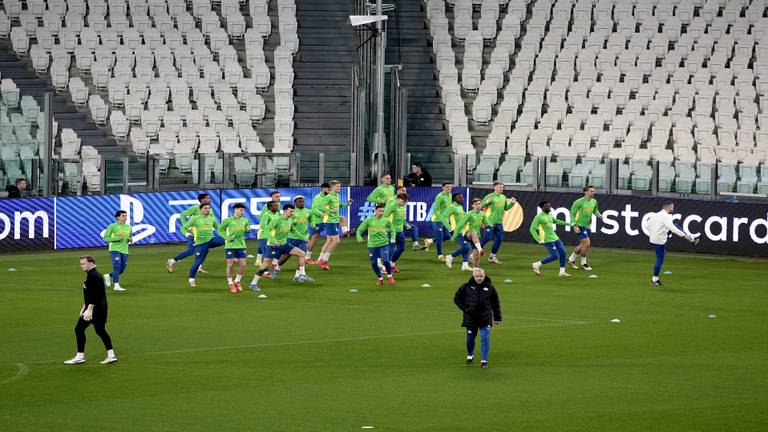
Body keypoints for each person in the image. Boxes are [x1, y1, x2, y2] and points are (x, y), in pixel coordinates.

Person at [64, 256, 117, 365]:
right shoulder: (92, 275)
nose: (81, 266)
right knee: (100, 331)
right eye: (81, 264)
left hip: (95, 310)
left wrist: (89, 309)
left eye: (83, 264)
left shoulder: (94, 276)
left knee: (79, 329)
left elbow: (97, 294)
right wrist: (84, 306)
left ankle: (80, 356)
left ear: (91, 263)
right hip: (98, 308)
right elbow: (90, 293)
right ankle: (111, 355)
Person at [250, 204, 314, 291]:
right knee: (265, 266)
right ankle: (253, 283)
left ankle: (302, 274)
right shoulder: (277, 220)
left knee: (302, 253)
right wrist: (273, 240)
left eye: (293, 211)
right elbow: (266, 229)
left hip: (284, 245)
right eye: (291, 211)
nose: (292, 213)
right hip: (273, 246)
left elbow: (293, 230)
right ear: (285, 211)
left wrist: (304, 238)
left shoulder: (289, 220)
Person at [453, 268, 501, 368]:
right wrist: (465, 309)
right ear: (473, 276)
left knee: (485, 338)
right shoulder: (466, 287)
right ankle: (470, 355)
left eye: (481, 276)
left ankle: (484, 360)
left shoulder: (490, 288)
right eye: (477, 276)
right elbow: (457, 298)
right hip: (471, 318)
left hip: (485, 317)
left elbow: (495, 303)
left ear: (484, 275)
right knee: (470, 338)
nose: (479, 278)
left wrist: (497, 317)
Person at [642, 201, 695, 286]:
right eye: (672, 207)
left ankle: (691, 238)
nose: (673, 209)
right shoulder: (665, 216)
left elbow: (647, 225)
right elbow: (673, 229)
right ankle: (654, 280)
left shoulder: (656, 214)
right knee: (660, 260)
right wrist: (684, 236)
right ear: (668, 207)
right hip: (659, 241)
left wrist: (656, 232)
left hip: (653, 239)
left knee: (676, 225)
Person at [167, 193, 211, 274]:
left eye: (209, 198)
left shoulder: (209, 210)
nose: (209, 199)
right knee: (191, 251)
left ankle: (198, 266)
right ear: (202, 200)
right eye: (207, 198)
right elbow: (183, 214)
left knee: (205, 250)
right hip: (193, 234)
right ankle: (172, 261)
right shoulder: (195, 208)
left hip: (203, 235)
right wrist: (186, 227)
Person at [530, 201, 575, 277]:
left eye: (549, 205)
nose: (549, 207)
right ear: (543, 207)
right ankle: (537, 264)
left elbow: (556, 221)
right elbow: (532, 229)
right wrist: (538, 239)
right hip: (548, 240)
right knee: (555, 256)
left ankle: (562, 272)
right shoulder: (539, 217)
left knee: (563, 253)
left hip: (555, 238)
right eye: (547, 206)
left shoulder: (550, 214)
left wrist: (569, 224)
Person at [314, 180, 352, 271]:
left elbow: (337, 206)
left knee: (330, 240)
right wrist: (330, 211)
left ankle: (321, 259)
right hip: (329, 221)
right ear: (332, 187)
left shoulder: (337, 196)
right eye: (338, 186)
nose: (340, 188)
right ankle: (324, 260)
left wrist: (347, 204)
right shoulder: (329, 197)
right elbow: (320, 207)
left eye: (340, 186)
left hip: (334, 220)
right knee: (336, 240)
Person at [356, 204, 396, 286]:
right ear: (375, 211)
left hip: (383, 244)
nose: (381, 212)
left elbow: (392, 230)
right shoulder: (369, 220)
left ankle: (390, 276)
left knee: (385, 260)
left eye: (382, 211)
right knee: (374, 263)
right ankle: (380, 278)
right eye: (379, 211)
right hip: (372, 245)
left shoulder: (386, 220)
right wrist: (358, 236)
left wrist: (393, 238)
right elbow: (360, 229)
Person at [186, 203, 225, 287]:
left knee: (226, 240)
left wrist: (227, 234)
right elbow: (185, 227)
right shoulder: (195, 219)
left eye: (209, 208)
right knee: (198, 261)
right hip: (201, 243)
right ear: (201, 210)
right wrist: (189, 232)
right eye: (206, 208)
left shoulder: (212, 219)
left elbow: (219, 229)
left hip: (211, 240)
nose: (208, 210)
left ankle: (234, 256)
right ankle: (191, 279)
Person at [274, 195, 312, 277]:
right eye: (300, 201)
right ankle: (277, 267)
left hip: (303, 238)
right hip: (291, 237)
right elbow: (290, 226)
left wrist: (313, 225)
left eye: (303, 201)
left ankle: (298, 275)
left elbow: (311, 220)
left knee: (302, 254)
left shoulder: (308, 211)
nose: (302, 203)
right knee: (287, 255)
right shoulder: (292, 213)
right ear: (295, 203)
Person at [480, 181, 517, 264]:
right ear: (494, 187)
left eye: (502, 187)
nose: (502, 189)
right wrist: (486, 203)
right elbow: (480, 207)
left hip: (499, 222)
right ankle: (474, 253)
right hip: (490, 222)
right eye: (500, 187)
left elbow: (506, 208)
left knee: (499, 239)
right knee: (486, 238)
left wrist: (512, 203)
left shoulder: (503, 197)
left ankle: (492, 257)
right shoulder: (489, 196)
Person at [568, 185, 603, 271]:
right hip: (579, 225)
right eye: (591, 191)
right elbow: (572, 213)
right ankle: (583, 264)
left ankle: (570, 260)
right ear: (585, 192)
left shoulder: (594, 201)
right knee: (587, 244)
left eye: (593, 191)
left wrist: (599, 215)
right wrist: (574, 225)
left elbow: (595, 210)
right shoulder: (579, 202)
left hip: (588, 226)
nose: (593, 192)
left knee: (582, 245)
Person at [219, 203, 252, 293]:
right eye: (241, 210)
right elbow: (220, 230)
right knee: (230, 264)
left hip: (241, 245)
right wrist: (227, 238)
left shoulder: (245, 220)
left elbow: (248, 230)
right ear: (235, 210)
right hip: (230, 245)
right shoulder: (228, 220)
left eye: (243, 210)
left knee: (243, 264)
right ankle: (230, 283)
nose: (242, 212)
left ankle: (237, 281)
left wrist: (248, 230)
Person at [449, 198, 489, 271]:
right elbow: (460, 225)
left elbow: (486, 223)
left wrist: (489, 225)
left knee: (476, 256)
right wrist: (454, 235)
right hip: (467, 235)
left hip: (477, 237)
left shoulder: (482, 214)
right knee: (473, 233)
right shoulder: (469, 214)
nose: (478, 206)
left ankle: (476, 269)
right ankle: (480, 249)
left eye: (479, 204)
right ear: (472, 206)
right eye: (476, 204)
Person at [101, 210, 132, 292]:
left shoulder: (129, 227)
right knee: (117, 266)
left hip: (125, 250)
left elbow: (130, 237)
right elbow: (105, 238)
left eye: (126, 216)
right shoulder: (112, 226)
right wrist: (117, 239)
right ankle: (116, 285)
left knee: (121, 270)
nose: (125, 217)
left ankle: (108, 275)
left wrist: (130, 239)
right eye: (123, 216)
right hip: (114, 249)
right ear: (118, 217)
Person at [442, 193, 471, 271]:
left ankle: (465, 265)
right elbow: (443, 217)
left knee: (466, 247)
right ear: (454, 199)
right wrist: (449, 228)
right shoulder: (452, 207)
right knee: (467, 247)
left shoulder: (460, 207)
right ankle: (451, 257)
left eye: (462, 197)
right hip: (456, 231)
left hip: (464, 231)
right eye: (459, 198)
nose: (462, 199)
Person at [383, 192, 409, 273]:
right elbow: (384, 216)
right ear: (398, 199)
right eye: (403, 201)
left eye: (406, 201)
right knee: (391, 248)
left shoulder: (403, 205)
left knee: (401, 248)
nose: (405, 203)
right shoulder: (392, 205)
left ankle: (391, 263)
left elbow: (402, 216)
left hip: (400, 230)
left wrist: (406, 224)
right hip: (392, 231)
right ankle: (384, 266)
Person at [306, 182, 331, 263]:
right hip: (318, 220)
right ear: (323, 189)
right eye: (328, 189)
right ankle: (307, 257)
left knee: (331, 237)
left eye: (330, 189)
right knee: (315, 237)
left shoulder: (330, 197)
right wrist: (322, 215)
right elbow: (314, 209)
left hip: (327, 219)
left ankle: (321, 258)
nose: (329, 190)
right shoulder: (317, 198)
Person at [429, 181, 454, 261]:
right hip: (437, 219)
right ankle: (440, 255)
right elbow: (436, 210)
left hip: (445, 219)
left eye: (450, 187)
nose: (449, 188)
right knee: (439, 238)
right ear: (442, 187)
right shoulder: (439, 196)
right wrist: (442, 219)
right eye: (447, 187)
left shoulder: (450, 195)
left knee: (447, 236)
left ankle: (430, 241)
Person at [255, 192, 282, 266]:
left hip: (273, 229)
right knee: (265, 245)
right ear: (272, 197)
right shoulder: (266, 207)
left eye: (279, 196)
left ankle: (258, 260)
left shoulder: (278, 205)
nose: (279, 197)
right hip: (267, 229)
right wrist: (269, 226)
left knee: (263, 245)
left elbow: (277, 215)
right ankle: (264, 265)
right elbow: (262, 217)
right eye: (276, 196)